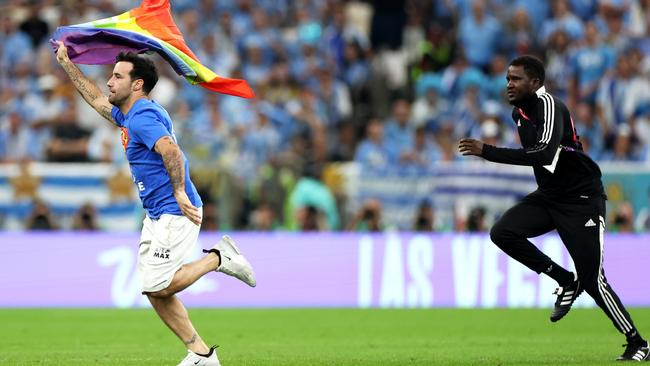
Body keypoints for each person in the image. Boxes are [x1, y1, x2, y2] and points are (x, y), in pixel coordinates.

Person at [55, 41, 256, 366]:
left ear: (137, 84)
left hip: (176, 210)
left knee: (158, 284)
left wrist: (178, 192)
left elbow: (171, 151)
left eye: (117, 76)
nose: (109, 81)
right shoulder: (130, 113)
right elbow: (94, 99)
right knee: (153, 290)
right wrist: (66, 62)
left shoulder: (142, 116)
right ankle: (201, 354)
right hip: (158, 212)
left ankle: (219, 258)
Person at [458, 55, 649, 361]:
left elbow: (544, 154)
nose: (509, 84)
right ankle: (564, 280)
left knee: (593, 281)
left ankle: (637, 341)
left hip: (581, 201)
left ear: (535, 83)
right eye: (507, 78)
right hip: (550, 196)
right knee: (502, 232)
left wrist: (487, 151)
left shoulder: (549, 105)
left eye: (516, 79)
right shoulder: (519, 112)